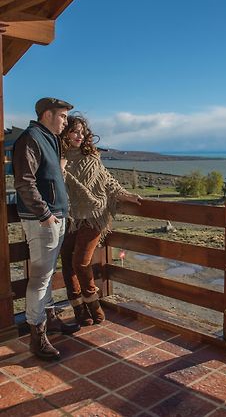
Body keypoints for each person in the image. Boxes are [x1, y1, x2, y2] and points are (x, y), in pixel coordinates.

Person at [13, 97, 80, 361]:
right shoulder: (30, 138)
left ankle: (50, 320)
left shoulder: (49, 138)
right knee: (40, 279)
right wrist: (45, 215)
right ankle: (37, 336)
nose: (66, 121)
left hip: (55, 217)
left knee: (49, 275)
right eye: (62, 116)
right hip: (43, 220)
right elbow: (24, 182)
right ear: (47, 114)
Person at [60, 114, 141, 326]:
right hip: (69, 216)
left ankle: (93, 303)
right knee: (67, 264)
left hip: (95, 216)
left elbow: (107, 182)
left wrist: (126, 195)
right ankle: (79, 309)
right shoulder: (58, 158)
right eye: (74, 131)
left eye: (82, 132)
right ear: (65, 133)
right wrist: (60, 167)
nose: (79, 136)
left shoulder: (92, 157)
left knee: (81, 262)